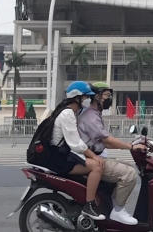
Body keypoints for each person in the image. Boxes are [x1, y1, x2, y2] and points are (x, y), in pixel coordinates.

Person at [78, 83, 146, 225]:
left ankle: (112, 206)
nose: (109, 99)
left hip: (95, 156)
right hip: (91, 159)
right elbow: (107, 140)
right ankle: (118, 211)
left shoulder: (95, 114)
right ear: (97, 96)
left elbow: (106, 142)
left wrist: (129, 145)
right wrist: (131, 147)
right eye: (107, 95)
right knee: (129, 174)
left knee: (128, 166)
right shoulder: (90, 116)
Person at [47, 81, 106, 221]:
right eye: (85, 97)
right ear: (77, 97)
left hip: (62, 155)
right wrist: (94, 156)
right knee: (96, 167)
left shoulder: (69, 112)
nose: (88, 100)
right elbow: (76, 144)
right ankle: (89, 206)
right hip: (60, 160)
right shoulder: (67, 114)